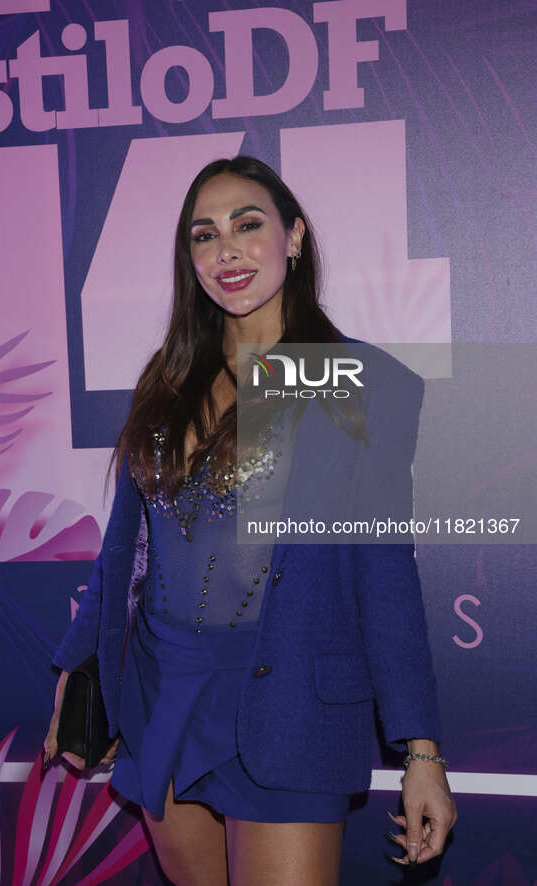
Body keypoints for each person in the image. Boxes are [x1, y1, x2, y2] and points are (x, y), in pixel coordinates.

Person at [44, 155, 457, 885]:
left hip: (288, 700)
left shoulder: (348, 380)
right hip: (163, 689)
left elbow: (384, 570)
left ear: (293, 238)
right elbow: (126, 547)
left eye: (247, 225)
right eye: (203, 235)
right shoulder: (170, 381)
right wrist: (81, 669)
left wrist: (420, 753)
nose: (224, 249)